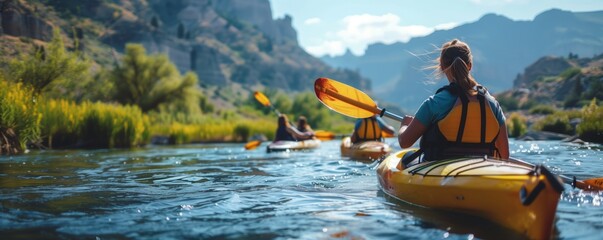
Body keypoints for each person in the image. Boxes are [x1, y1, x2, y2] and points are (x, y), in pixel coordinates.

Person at [398, 39, 509, 165]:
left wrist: (405, 125)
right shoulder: (493, 104)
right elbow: (504, 155)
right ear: (470, 66)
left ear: (442, 66)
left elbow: (404, 142)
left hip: (440, 172)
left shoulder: (435, 103)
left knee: (407, 157)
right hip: (480, 171)